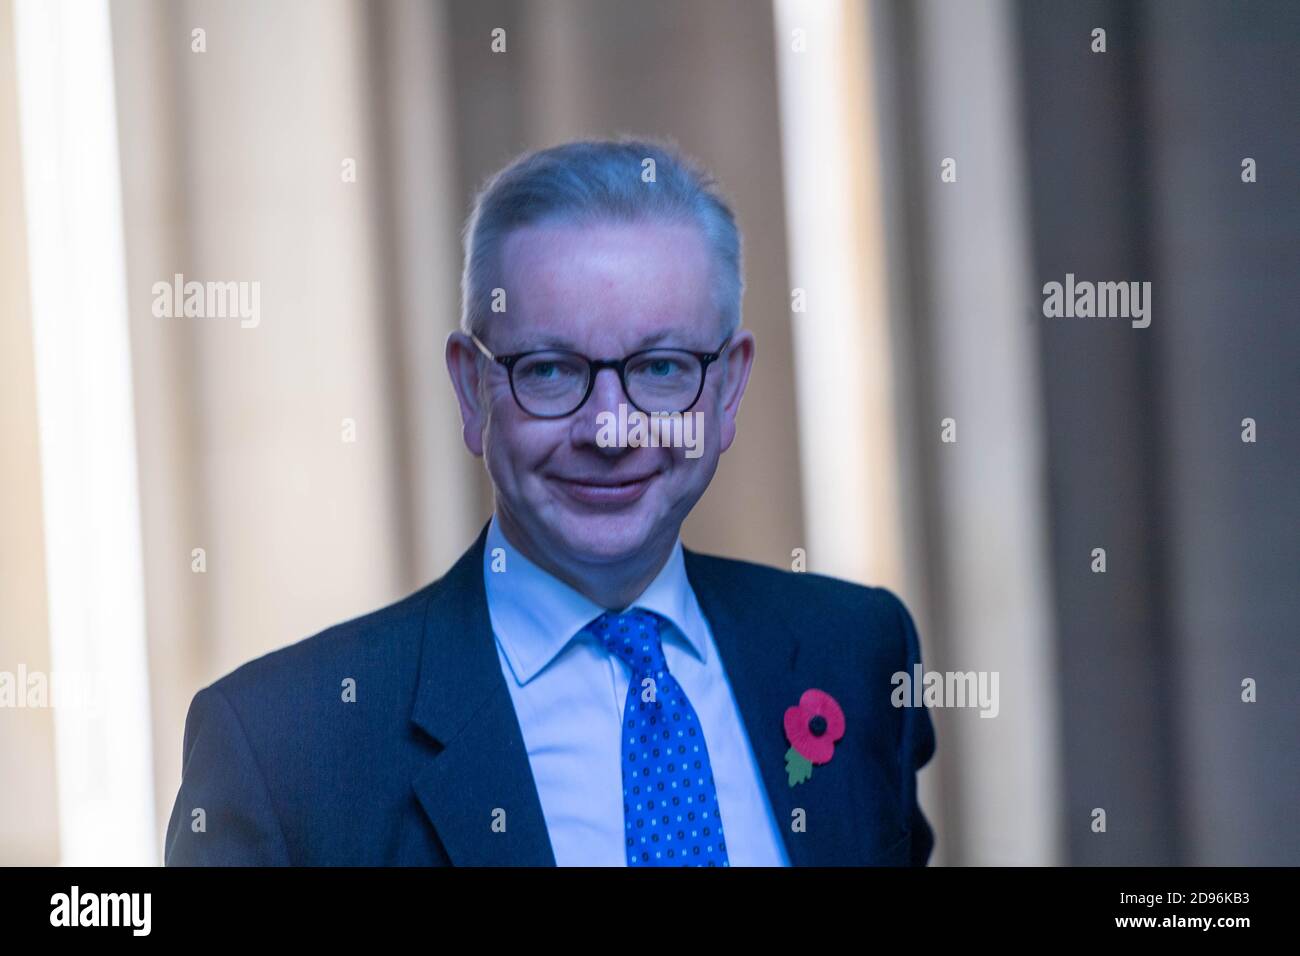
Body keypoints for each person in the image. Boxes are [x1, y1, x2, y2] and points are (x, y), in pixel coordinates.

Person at [164, 137, 936, 866]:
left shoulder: (856, 655)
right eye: (550, 371)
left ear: (728, 388)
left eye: (662, 368)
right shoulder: (287, 749)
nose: (610, 428)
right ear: (472, 389)